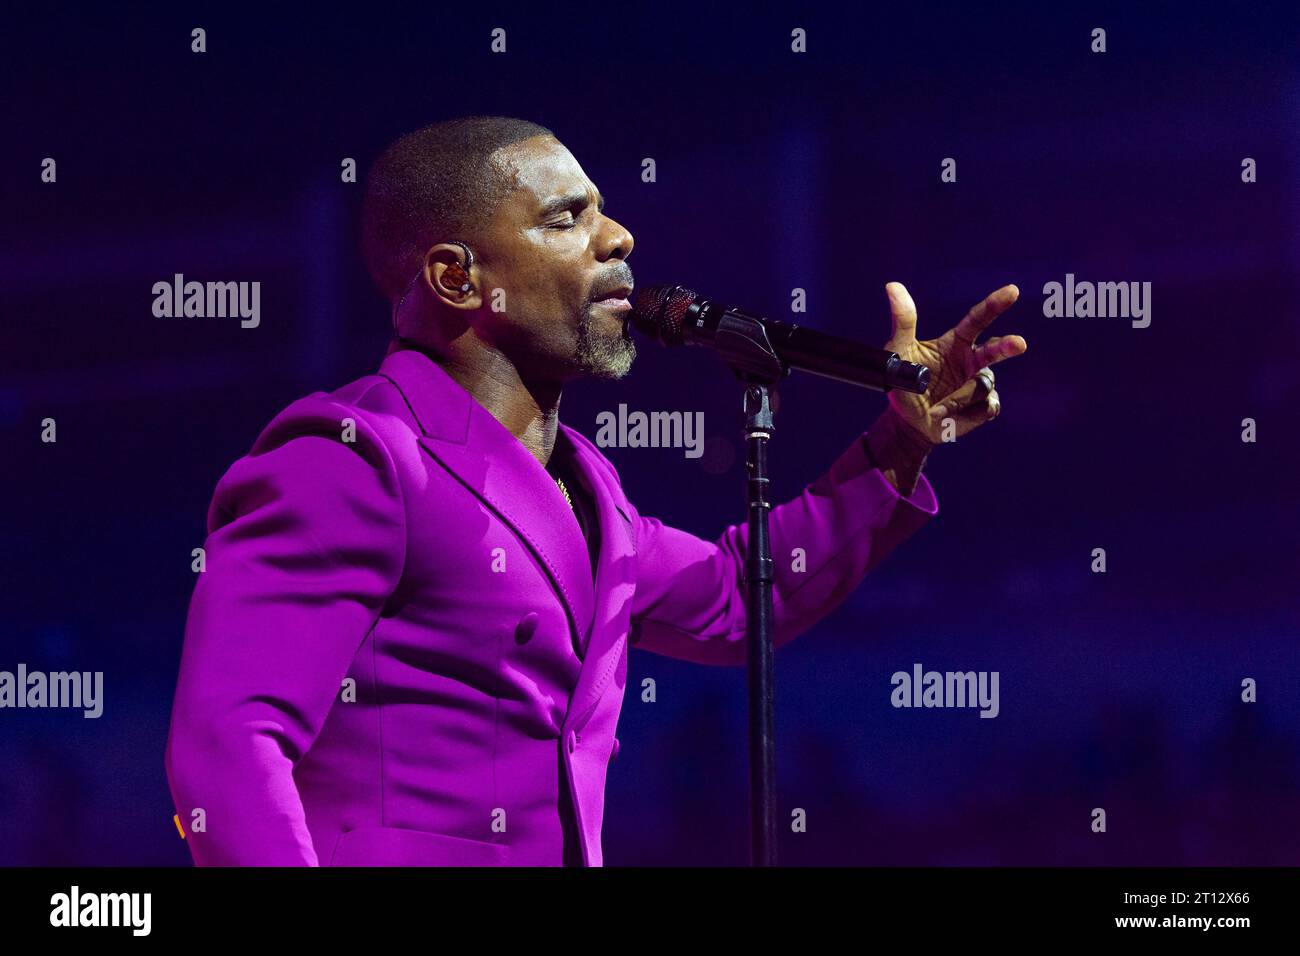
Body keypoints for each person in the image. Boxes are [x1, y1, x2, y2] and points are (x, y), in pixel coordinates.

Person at [164, 115, 1027, 867]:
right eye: (566, 218)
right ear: (457, 278)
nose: (618, 239)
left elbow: (738, 598)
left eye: (602, 211)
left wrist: (901, 445)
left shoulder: (590, 488)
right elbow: (228, 740)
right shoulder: (356, 457)